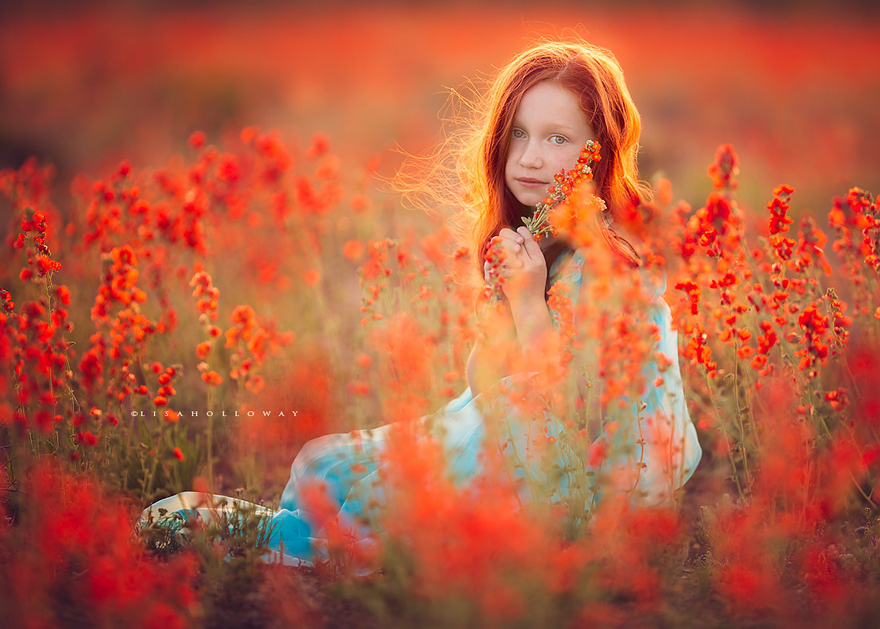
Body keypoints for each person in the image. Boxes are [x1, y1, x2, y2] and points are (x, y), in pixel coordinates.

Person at [142, 40, 702, 569]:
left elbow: (577, 419)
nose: (530, 157)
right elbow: (489, 394)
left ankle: (271, 539)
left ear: (597, 156)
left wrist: (530, 305)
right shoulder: (542, 247)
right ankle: (289, 530)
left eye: (558, 139)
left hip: (587, 497)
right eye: (519, 135)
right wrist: (502, 311)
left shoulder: (608, 273)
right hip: (522, 455)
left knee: (386, 507)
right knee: (332, 471)